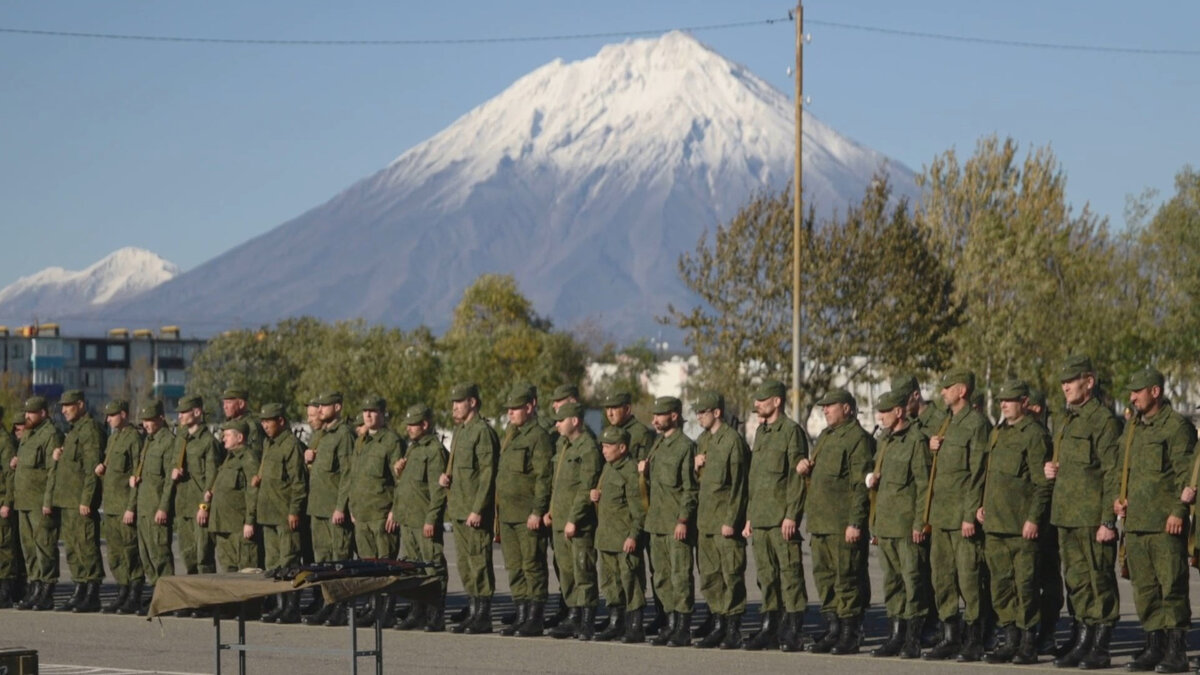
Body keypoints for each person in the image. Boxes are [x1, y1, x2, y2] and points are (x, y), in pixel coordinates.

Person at [1044, 355, 1122, 669]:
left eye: (1071, 380)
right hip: (1067, 514)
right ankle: (1082, 639)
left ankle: (1100, 646)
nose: (1065, 386)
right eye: (1063, 382)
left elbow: (1112, 472)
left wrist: (1107, 520)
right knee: (1076, 581)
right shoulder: (1068, 420)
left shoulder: (1102, 420)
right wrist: (1052, 468)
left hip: (1091, 517)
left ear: (1088, 382)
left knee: (1098, 580)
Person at [1120, 368, 1195, 673]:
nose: (1132, 397)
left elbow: (1187, 475)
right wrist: (1119, 496)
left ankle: (1176, 650)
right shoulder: (1134, 428)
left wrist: (1179, 511)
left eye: (1137, 391)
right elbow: (1124, 468)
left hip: (1165, 523)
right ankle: (1155, 645)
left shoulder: (1176, 426)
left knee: (1172, 586)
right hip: (1137, 522)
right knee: (1145, 589)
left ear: (1155, 391)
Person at [977, 380, 1052, 665]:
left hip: (1021, 526)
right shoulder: (998, 433)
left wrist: (1034, 518)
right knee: (1001, 585)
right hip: (995, 524)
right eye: (1001, 400)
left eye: (1009, 400)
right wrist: (983, 505)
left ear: (1023, 401)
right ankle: (1009, 639)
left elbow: (1042, 484)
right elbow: (991, 475)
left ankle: (1028, 641)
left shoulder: (1033, 435)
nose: (1004, 404)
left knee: (1026, 585)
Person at [922, 369, 992, 662]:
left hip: (961, 516)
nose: (943, 392)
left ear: (962, 390)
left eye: (947, 387)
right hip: (940, 515)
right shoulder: (945, 423)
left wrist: (969, 514)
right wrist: (931, 445)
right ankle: (950, 635)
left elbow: (978, 472)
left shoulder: (975, 424)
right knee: (942, 578)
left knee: (969, 578)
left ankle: (975, 638)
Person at [800, 388, 874, 655]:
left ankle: (850, 632)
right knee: (825, 578)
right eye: (824, 406)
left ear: (847, 408)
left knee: (847, 578)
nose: (825, 410)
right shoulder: (825, 437)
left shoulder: (857, 439)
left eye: (831, 405)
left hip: (842, 523)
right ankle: (833, 627)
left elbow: (860, 485)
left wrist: (855, 522)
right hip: (821, 522)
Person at [743, 379, 809, 652]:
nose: (757, 403)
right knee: (766, 577)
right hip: (761, 517)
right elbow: (755, 479)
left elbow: (797, 478)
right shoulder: (761, 432)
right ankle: (770, 626)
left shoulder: (791, 432)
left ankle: (793, 629)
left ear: (777, 401)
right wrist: (750, 517)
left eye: (762, 399)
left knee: (790, 574)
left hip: (782, 518)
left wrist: (792, 515)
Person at [865, 388, 931, 659]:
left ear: (899, 412)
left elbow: (924, 485)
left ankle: (913, 637)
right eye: (878, 412)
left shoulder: (915, 440)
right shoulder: (884, 441)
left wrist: (920, 523)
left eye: (884, 411)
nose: (880, 417)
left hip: (906, 525)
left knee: (913, 580)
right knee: (892, 582)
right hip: (886, 524)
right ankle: (896, 634)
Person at [439, 383, 500, 635]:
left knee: (479, 563)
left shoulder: (481, 432)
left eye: (459, 402)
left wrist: (478, 508)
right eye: (453, 402)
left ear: (472, 403)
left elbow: (487, 475)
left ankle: (483, 615)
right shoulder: (461, 431)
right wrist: (447, 478)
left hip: (474, 511)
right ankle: (473, 610)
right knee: (465, 564)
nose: (454, 406)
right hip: (459, 508)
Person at [337, 396, 404, 627]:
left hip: (381, 514)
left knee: (385, 565)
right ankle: (373, 607)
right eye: (365, 411)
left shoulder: (392, 441)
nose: (368, 415)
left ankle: (387, 610)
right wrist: (353, 507)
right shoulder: (361, 441)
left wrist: (396, 510)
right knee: (368, 565)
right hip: (362, 514)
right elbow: (355, 477)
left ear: (383, 414)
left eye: (373, 411)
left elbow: (399, 480)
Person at [692, 391, 749, 650]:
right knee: (710, 576)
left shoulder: (732, 441)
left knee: (731, 575)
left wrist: (733, 519)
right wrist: (696, 466)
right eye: (698, 412)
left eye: (703, 412)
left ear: (717, 413)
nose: (698, 416)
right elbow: (698, 484)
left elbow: (739, 485)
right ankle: (718, 624)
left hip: (725, 521)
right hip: (705, 521)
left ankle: (733, 628)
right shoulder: (703, 440)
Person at [496, 386, 553, 637]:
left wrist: (537, 510)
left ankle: (534, 617)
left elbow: (544, 477)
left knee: (533, 565)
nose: (510, 413)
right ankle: (521, 613)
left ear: (530, 407)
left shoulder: (538, 436)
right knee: (515, 566)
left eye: (515, 408)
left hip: (527, 514)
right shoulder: (511, 435)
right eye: (508, 409)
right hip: (508, 514)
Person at [642, 395, 698, 648]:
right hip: (656, 522)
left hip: (675, 522)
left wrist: (683, 519)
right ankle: (669, 623)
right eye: (654, 415)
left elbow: (690, 488)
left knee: (680, 576)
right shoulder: (658, 445)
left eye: (660, 415)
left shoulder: (685, 446)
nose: (654, 419)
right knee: (662, 577)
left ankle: (683, 628)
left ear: (674, 416)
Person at [545, 401, 603, 640]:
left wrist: (574, 519)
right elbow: (558, 484)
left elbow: (585, 488)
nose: (557, 424)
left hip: (578, 524)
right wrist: (551, 510)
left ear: (575, 421)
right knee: (567, 572)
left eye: (561, 420)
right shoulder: (565, 446)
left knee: (583, 571)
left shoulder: (587, 449)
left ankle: (587, 620)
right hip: (559, 519)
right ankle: (573, 615)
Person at [46, 390, 105, 612]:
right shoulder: (74, 431)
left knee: (87, 546)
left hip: (80, 500)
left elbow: (92, 469)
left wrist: (87, 499)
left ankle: (91, 593)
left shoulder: (89, 430)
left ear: (80, 405)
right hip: (68, 500)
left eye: (68, 405)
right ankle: (80, 588)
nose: (63, 410)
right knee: (73, 549)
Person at [250, 403, 308, 624]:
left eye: (269, 421)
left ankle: (292, 607)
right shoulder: (269, 444)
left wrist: (294, 510)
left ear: (281, 421)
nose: (265, 425)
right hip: (269, 513)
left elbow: (298, 482)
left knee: (289, 562)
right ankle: (279, 606)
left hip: (285, 514)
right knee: (274, 564)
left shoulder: (290, 445)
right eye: (263, 421)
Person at [392, 403, 449, 632]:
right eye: (407, 425)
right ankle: (417, 612)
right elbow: (407, 485)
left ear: (425, 424)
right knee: (414, 568)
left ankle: (436, 614)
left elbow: (437, 490)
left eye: (413, 425)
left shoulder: (433, 450)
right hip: (409, 518)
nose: (409, 429)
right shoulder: (413, 448)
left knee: (433, 567)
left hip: (423, 519)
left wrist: (431, 519)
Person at [592, 425, 647, 643]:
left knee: (630, 581)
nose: (604, 450)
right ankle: (616, 621)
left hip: (624, 537)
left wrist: (633, 535)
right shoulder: (608, 468)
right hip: (606, 536)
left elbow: (639, 508)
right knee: (610, 583)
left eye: (608, 446)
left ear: (622, 447)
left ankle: (635, 625)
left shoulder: (630, 471)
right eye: (603, 446)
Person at [303, 391, 354, 626]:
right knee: (322, 559)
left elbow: (347, 473)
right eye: (319, 405)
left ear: (338, 407)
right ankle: (328, 602)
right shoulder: (320, 435)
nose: (320, 409)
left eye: (325, 406)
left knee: (339, 559)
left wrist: (341, 506)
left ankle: (342, 606)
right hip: (318, 507)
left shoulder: (343, 435)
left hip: (334, 508)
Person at [14, 396, 64, 611]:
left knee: (44, 546)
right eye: (26, 413)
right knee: (29, 548)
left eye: (31, 413)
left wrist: (48, 500)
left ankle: (46, 590)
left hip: (39, 501)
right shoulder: (29, 435)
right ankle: (34, 587)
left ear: (43, 413)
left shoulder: (50, 435)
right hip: (23, 500)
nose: (27, 416)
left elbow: (53, 471)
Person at [94, 399, 144, 615]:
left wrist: (131, 507)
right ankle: (122, 591)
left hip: (125, 504)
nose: (108, 419)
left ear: (123, 414)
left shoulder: (133, 438)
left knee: (130, 551)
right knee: (115, 553)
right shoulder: (114, 438)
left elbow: (137, 475)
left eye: (112, 415)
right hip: (112, 505)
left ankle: (134, 593)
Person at [171, 394, 223, 580]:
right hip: (183, 505)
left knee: (204, 557)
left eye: (184, 412)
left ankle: (208, 602)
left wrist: (204, 506)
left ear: (197, 412)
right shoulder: (182, 439)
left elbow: (213, 478)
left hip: (199, 507)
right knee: (188, 556)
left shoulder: (208, 442)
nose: (180, 417)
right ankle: (194, 600)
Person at [131, 400, 176, 616]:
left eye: (150, 420)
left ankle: (167, 597)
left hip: (157, 506)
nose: (146, 424)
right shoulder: (148, 442)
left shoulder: (168, 442)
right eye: (144, 421)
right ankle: (156, 591)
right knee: (145, 553)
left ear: (161, 418)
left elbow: (169, 480)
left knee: (160, 554)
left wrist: (163, 507)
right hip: (143, 506)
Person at [205, 419, 259, 573]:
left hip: (239, 527)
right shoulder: (230, 458)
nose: (223, 438)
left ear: (240, 437)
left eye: (227, 435)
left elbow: (253, 491)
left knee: (247, 571)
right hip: (223, 526)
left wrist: (250, 520)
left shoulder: (248, 459)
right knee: (229, 571)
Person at [0, 404, 20, 608]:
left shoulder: (4, 441)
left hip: (1, 501)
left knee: (4, 547)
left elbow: (10, 475)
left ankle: (5, 592)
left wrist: (7, 502)